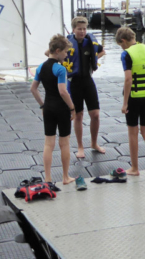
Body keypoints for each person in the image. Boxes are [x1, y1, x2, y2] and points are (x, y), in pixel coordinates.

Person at [115, 26, 145, 177]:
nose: (121, 48)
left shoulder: (126, 54)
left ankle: (135, 168)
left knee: (133, 132)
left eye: (121, 45)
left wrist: (124, 103)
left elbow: (128, 79)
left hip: (134, 97)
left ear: (123, 41)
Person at [31, 35, 77, 186]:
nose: (66, 55)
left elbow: (33, 89)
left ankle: (48, 178)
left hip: (48, 108)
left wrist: (42, 105)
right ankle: (65, 177)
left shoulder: (40, 67)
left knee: (48, 144)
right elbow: (63, 91)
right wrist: (72, 108)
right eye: (65, 52)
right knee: (64, 143)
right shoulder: (60, 69)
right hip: (62, 109)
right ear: (58, 51)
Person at [63, 16, 106, 158]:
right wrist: (63, 64)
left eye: (84, 29)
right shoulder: (67, 42)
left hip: (88, 81)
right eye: (79, 29)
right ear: (73, 29)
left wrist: (93, 60)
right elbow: (49, 53)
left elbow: (102, 51)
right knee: (78, 116)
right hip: (74, 82)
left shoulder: (90, 41)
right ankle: (80, 147)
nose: (82, 31)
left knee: (95, 115)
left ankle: (94, 143)